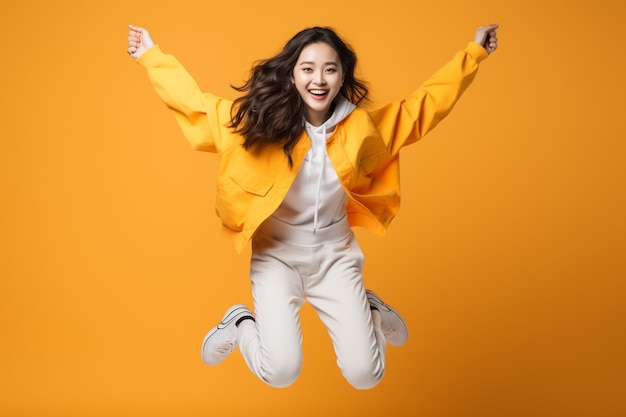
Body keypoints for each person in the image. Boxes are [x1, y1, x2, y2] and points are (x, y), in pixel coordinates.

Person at [126, 23, 499, 390]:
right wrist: (150, 56)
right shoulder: (253, 123)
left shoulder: (361, 129)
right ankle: (241, 325)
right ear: (291, 75)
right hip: (276, 257)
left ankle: (367, 311)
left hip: (335, 257)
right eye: (308, 69)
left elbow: (423, 109)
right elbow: (196, 106)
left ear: (341, 78)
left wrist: (474, 53)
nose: (318, 79)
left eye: (329, 69)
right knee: (282, 371)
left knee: (366, 375)